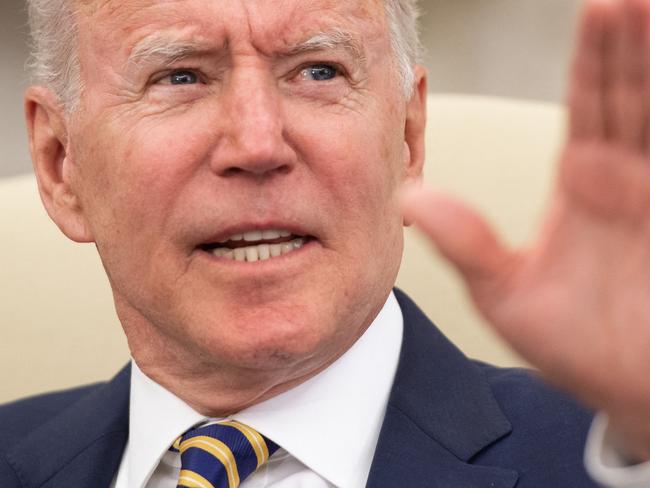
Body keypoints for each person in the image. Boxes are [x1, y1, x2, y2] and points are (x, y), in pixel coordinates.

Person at [1, 0, 649, 487]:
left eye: (318, 70)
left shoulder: (613, 450)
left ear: (408, 138)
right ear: (61, 165)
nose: (257, 145)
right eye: (180, 77)